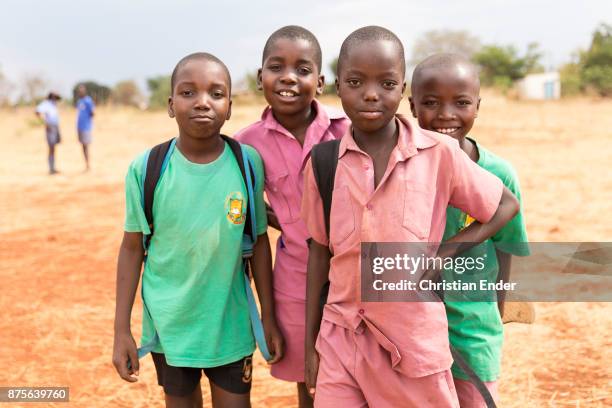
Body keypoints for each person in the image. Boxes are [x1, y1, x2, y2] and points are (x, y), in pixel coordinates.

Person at [301, 26, 520, 407]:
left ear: (402, 91)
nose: (371, 93)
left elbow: (504, 205)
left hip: (414, 346)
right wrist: (311, 346)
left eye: (386, 83)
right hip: (341, 341)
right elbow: (319, 254)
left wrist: (447, 250)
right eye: (355, 81)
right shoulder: (323, 163)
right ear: (339, 86)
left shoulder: (438, 153)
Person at [112, 52, 284, 408]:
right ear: (171, 104)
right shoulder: (147, 170)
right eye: (188, 92)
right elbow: (132, 249)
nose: (203, 102)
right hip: (170, 327)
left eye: (216, 93)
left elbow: (258, 242)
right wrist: (120, 331)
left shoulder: (247, 163)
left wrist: (268, 315)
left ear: (230, 107)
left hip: (230, 323)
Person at [234, 25, 350, 408]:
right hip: (294, 280)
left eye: (302, 69)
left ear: (319, 81)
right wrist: (286, 219)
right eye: (276, 67)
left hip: (354, 275)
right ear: (260, 77)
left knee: (361, 373)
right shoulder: (246, 143)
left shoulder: (347, 130)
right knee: (310, 380)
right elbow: (249, 209)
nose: (288, 77)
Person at [410, 53, 530, 408]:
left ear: (477, 106)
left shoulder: (499, 174)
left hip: (475, 330)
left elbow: (508, 248)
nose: (446, 114)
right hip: (414, 331)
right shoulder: (403, 168)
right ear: (413, 106)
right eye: (431, 103)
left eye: (461, 103)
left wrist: (499, 308)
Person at [35, 91, 62, 174]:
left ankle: (53, 167)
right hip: (50, 127)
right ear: (51, 97)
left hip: (55, 127)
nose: (56, 98)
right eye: (54, 96)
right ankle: (51, 168)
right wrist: (45, 123)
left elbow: (60, 98)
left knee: (53, 147)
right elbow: (37, 112)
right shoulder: (46, 104)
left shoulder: (53, 104)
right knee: (51, 146)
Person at [76, 84, 95, 171]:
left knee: (86, 145)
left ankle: (88, 164)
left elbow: (92, 113)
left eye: (82, 91)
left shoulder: (88, 100)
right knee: (83, 146)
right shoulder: (79, 101)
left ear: (84, 91)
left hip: (86, 127)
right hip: (79, 127)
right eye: (79, 91)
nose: (80, 92)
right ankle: (86, 163)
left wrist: (87, 122)